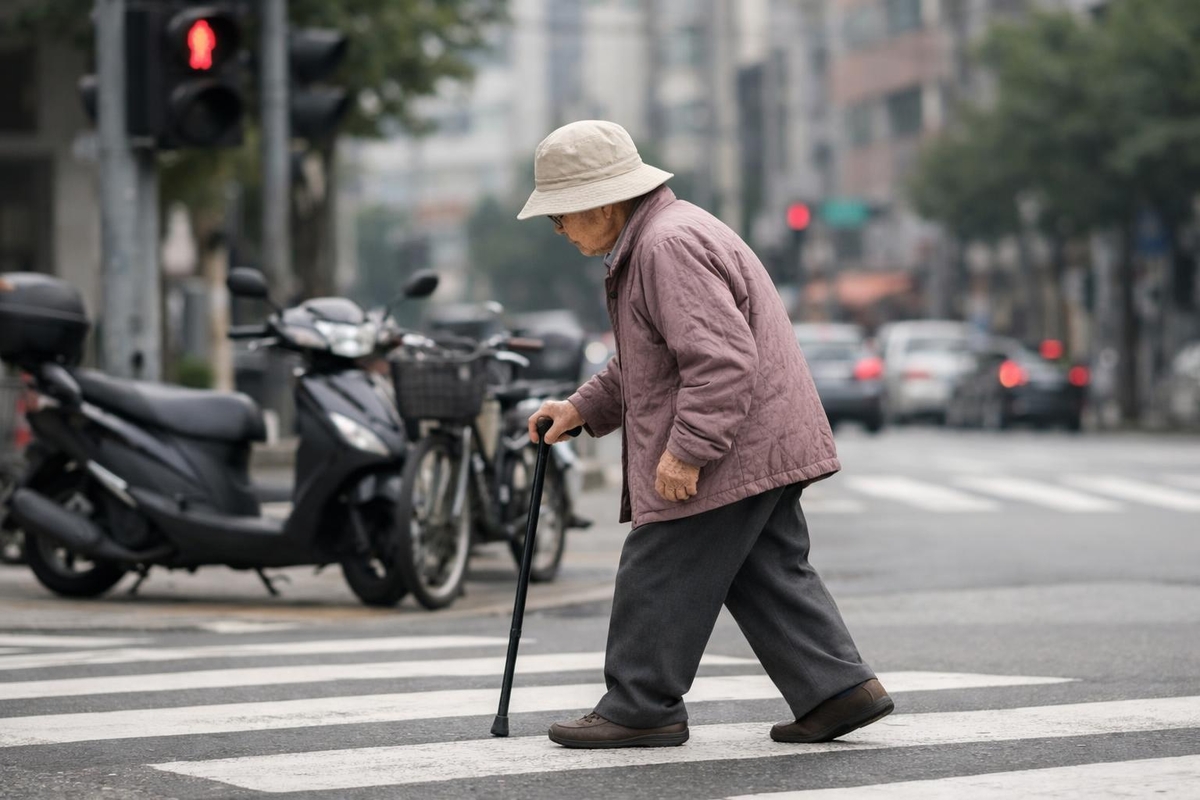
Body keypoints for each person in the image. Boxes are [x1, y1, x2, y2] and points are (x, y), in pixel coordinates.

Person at [521, 120, 891, 749]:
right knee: (764, 569)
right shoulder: (664, 235)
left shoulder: (666, 246)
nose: (558, 230)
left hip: (731, 443)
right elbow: (650, 360)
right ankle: (836, 689)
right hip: (759, 437)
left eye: (562, 215)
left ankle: (642, 706)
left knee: (659, 564)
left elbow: (720, 361)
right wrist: (580, 408)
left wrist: (688, 451)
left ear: (603, 201)